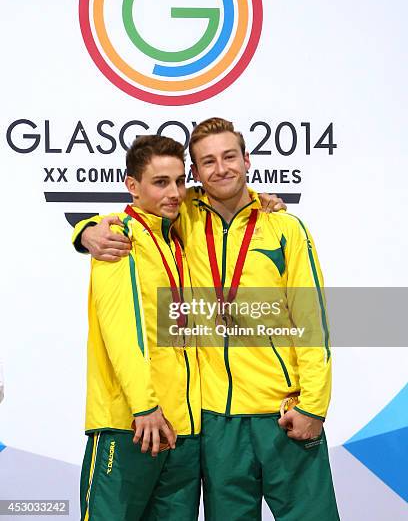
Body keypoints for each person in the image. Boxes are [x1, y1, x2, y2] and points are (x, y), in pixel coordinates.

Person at [75, 118, 339, 520]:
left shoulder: (284, 228)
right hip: (216, 421)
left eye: (230, 156)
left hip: (284, 410)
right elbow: (133, 217)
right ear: (197, 173)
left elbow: (312, 318)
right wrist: (85, 231)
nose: (221, 169)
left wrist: (314, 406)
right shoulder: (182, 221)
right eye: (208, 162)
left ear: (247, 159)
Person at [78, 135, 201, 521]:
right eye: (160, 183)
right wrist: (144, 404)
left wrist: (261, 199)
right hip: (130, 424)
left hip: (183, 429)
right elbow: (121, 333)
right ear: (132, 186)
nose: (175, 193)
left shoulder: (179, 236)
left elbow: (220, 193)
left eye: (180, 181)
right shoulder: (117, 237)